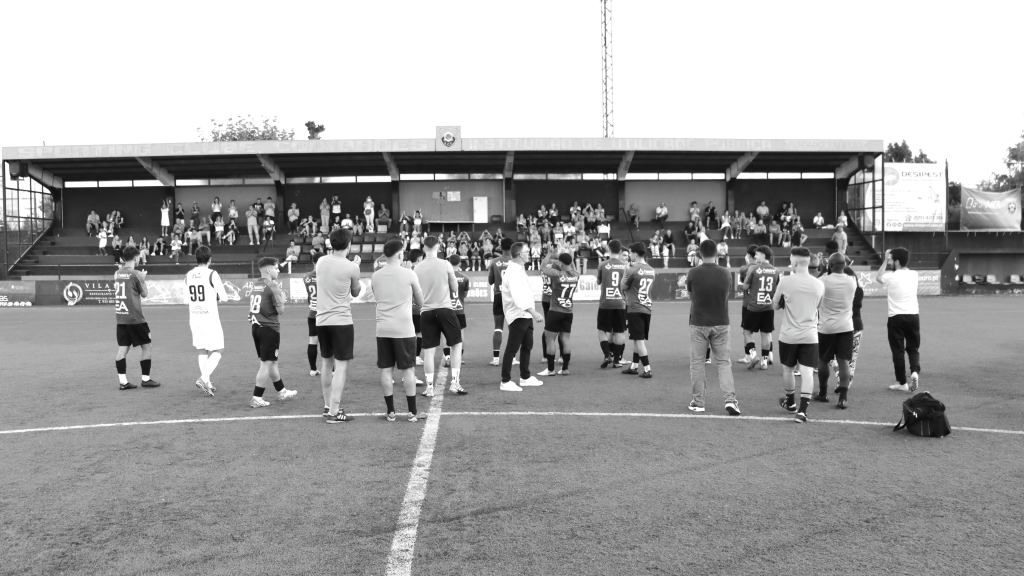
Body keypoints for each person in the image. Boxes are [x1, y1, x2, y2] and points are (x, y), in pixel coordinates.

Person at [372, 238, 425, 422]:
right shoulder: (409, 273)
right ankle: (412, 412)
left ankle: (391, 412)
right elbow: (421, 302)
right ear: (401, 254)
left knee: (386, 370)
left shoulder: (376, 275)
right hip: (404, 329)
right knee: (408, 370)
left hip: (383, 328)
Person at [685, 239, 740, 415]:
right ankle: (730, 400)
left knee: (697, 363)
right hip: (721, 322)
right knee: (724, 363)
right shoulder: (726, 273)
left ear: (700, 254)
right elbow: (727, 293)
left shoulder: (693, 272)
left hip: (699, 322)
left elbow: (690, 295)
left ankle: (698, 402)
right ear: (717, 253)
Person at [772, 247, 824, 423]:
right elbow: (819, 306)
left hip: (788, 335)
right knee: (807, 372)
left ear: (794, 262)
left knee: (788, 369)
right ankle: (802, 411)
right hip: (810, 335)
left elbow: (775, 305)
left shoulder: (785, 281)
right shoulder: (819, 283)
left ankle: (791, 403)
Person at [316, 229, 363, 422]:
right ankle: (335, 411)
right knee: (341, 367)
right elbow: (355, 292)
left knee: (327, 363)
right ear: (349, 245)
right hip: (341, 321)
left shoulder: (321, 261)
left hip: (322, 320)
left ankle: (328, 406)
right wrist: (356, 268)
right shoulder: (352, 267)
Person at [414, 236, 466, 397]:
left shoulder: (417, 268)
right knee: (456, 345)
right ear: (438, 247)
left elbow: (415, 294)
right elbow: (455, 288)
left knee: (429, 351)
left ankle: (429, 388)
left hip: (426, 311)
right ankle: (455, 383)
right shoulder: (445, 264)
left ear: (423, 248)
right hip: (444, 309)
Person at [248, 257, 298, 408]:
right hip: (269, 329)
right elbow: (280, 310)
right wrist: (282, 299)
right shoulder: (273, 285)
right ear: (268, 270)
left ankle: (281, 391)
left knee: (271, 362)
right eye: (276, 268)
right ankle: (257, 397)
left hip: (256, 328)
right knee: (266, 363)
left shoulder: (255, 285)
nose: (278, 270)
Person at [499, 242, 545, 391]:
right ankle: (505, 381)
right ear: (520, 254)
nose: (529, 254)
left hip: (524, 314)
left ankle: (525, 377)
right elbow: (518, 297)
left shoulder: (518, 269)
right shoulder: (513, 272)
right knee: (512, 348)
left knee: (527, 346)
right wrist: (534, 312)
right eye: (527, 251)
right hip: (519, 314)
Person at [112, 246, 159, 390]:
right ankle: (146, 379)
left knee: (122, 350)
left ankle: (123, 382)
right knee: (147, 346)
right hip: (136, 318)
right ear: (135, 258)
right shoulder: (136, 274)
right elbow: (144, 294)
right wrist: (143, 279)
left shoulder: (117, 273)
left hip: (121, 318)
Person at [814, 253, 857, 409]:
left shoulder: (822, 281)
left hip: (826, 327)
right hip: (846, 327)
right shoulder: (852, 281)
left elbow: (817, 285)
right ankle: (843, 398)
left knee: (823, 360)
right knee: (843, 361)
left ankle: (823, 393)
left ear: (829, 265)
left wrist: (824, 268)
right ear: (844, 265)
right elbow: (850, 272)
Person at [876, 247, 921, 392]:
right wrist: (888, 258)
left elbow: (878, 277)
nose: (889, 262)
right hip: (913, 315)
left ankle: (902, 382)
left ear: (896, 261)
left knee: (898, 351)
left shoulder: (891, 276)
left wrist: (883, 261)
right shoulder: (914, 274)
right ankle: (914, 371)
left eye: (890, 260)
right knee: (913, 348)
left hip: (896, 317)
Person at [185, 246, 228, 397]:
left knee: (202, 349)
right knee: (218, 349)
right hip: (209, 318)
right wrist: (214, 295)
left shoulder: (189, 274)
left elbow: (186, 299)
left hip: (194, 317)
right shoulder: (212, 274)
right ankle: (204, 378)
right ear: (210, 259)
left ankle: (207, 381)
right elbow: (224, 297)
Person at [538, 251, 578, 376]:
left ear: (560, 263)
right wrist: (569, 255)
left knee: (550, 339)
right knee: (565, 339)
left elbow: (543, 268)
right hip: (568, 312)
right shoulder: (576, 275)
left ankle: (550, 369)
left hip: (555, 311)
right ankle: (565, 368)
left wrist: (549, 254)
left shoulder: (557, 274)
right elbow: (573, 267)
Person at [620, 242, 655, 378]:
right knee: (637, 338)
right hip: (646, 307)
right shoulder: (652, 270)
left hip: (634, 307)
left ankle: (647, 369)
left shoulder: (632, 270)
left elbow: (622, 286)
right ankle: (634, 366)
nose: (629, 256)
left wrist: (625, 271)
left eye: (630, 253)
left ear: (635, 254)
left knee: (639, 340)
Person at [741, 245, 780, 370]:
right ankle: (764, 362)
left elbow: (745, 287)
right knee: (766, 334)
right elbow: (778, 288)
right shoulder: (776, 270)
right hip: (768, 307)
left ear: (763, 255)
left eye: (757, 254)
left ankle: (753, 355)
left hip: (753, 307)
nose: (755, 256)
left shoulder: (753, 268)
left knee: (747, 332)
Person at [830, 267, 864, 395]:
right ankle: (846, 382)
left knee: (833, 356)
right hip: (856, 325)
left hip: (841, 326)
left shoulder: (839, 290)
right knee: (852, 359)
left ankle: (841, 378)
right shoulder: (859, 290)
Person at [596, 239, 629, 368]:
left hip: (606, 303)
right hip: (620, 303)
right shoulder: (625, 266)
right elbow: (626, 285)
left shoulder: (602, 265)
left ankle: (606, 355)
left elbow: (598, 282)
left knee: (602, 330)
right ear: (620, 250)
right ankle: (617, 360)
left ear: (609, 249)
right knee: (619, 332)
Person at [488, 237, 515, 366]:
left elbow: (490, 281)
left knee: (498, 327)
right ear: (512, 247)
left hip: (498, 295)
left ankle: (496, 358)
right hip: (512, 297)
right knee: (513, 328)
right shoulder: (516, 263)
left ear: (501, 247)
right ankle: (513, 358)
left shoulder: (494, 262)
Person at [444, 254, 470, 368]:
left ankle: (448, 357)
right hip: (459, 309)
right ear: (460, 263)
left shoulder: (445, 276)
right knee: (461, 334)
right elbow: (464, 294)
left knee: (445, 334)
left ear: (449, 262)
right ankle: (459, 357)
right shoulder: (465, 277)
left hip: (447, 308)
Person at [303, 253, 322, 377]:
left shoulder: (306, 277)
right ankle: (331, 370)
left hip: (312, 313)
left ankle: (313, 369)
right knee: (328, 342)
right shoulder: (325, 276)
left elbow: (309, 297)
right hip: (325, 313)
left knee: (312, 341)